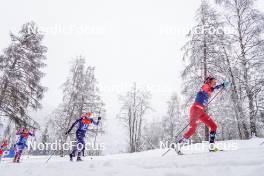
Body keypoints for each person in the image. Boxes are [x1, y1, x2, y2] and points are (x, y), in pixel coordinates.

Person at [177, 76, 228, 153]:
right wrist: (206, 91)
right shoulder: (206, 86)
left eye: (215, 81)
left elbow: (214, 88)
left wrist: (222, 85)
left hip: (201, 112)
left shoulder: (210, 88)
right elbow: (205, 88)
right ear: (209, 81)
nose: (215, 83)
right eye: (214, 81)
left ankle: (212, 147)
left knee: (213, 126)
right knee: (192, 129)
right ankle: (179, 145)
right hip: (195, 110)